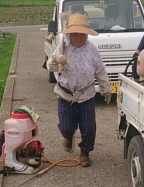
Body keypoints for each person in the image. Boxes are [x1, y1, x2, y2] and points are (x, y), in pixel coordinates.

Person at [46, 13, 111, 167]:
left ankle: (85, 152)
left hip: (86, 94)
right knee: (66, 125)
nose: (78, 37)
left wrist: (105, 88)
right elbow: (50, 65)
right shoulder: (62, 48)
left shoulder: (92, 50)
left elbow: (100, 70)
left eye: (82, 34)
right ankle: (68, 136)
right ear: (70, 34)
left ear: (86, 34)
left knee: (88, 127)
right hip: (65, 94)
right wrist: (55, 61)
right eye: (75, 34)